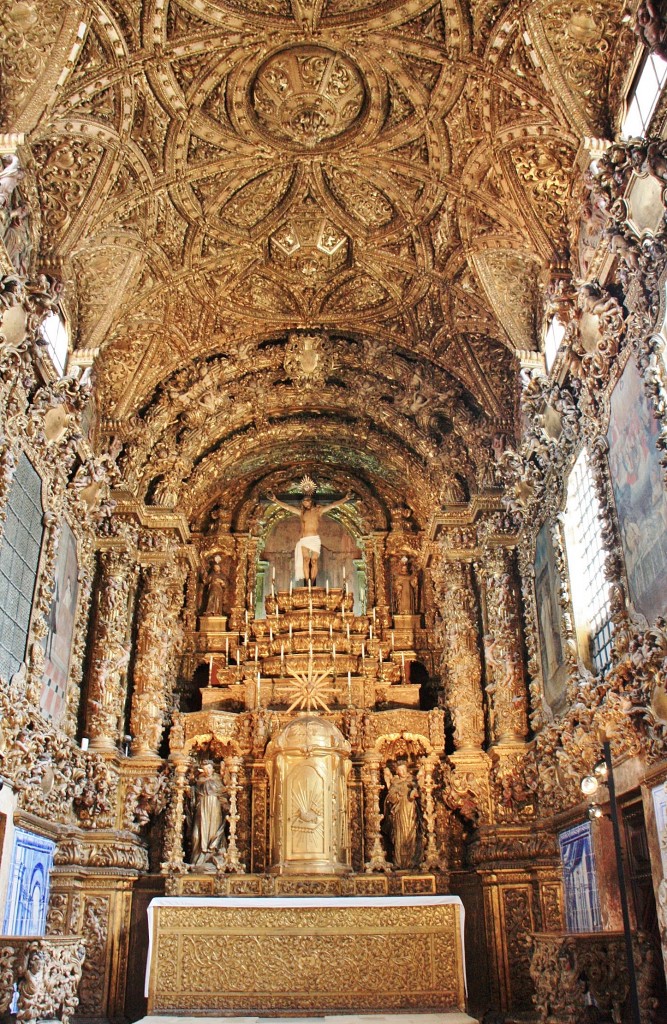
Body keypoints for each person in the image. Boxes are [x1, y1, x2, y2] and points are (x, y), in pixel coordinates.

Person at [268, 483, 353, 584]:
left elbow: (333, 505)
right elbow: (288, 508)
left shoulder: (318, 511)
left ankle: (311, 583)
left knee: (314, 561)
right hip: (304, 540)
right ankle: (307, 582)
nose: (305, 503)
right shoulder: (302, 512)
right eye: (303, 501)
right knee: (306, 560)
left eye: (307, 500)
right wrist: (275, 500)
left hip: (314, 539)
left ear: (311, 501)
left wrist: (346, 499)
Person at [190, 761, 228, 867]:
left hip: (214, 806)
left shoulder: (217, 780)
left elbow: (224, 791)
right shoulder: (199, 781)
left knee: (214, 831)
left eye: (209, 768)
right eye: (205, 769)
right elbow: (193, 793)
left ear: (212, 769)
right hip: (202, 807)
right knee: (197, 835)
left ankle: (213, 853)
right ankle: (199, 856)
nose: (207, 771)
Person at [383, 762, 421, 869]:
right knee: (399, 834)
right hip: (399, 812)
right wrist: (396, 796)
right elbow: (390, 798)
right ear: (397, 772)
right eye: (400, 770)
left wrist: (414, 793)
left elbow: (419, 794)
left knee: (411, 832)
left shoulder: (412, 781)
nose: (403, 772)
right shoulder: (395, 783)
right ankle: (399, 862)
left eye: (404, 769)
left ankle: (412, 860)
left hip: (410, 810)